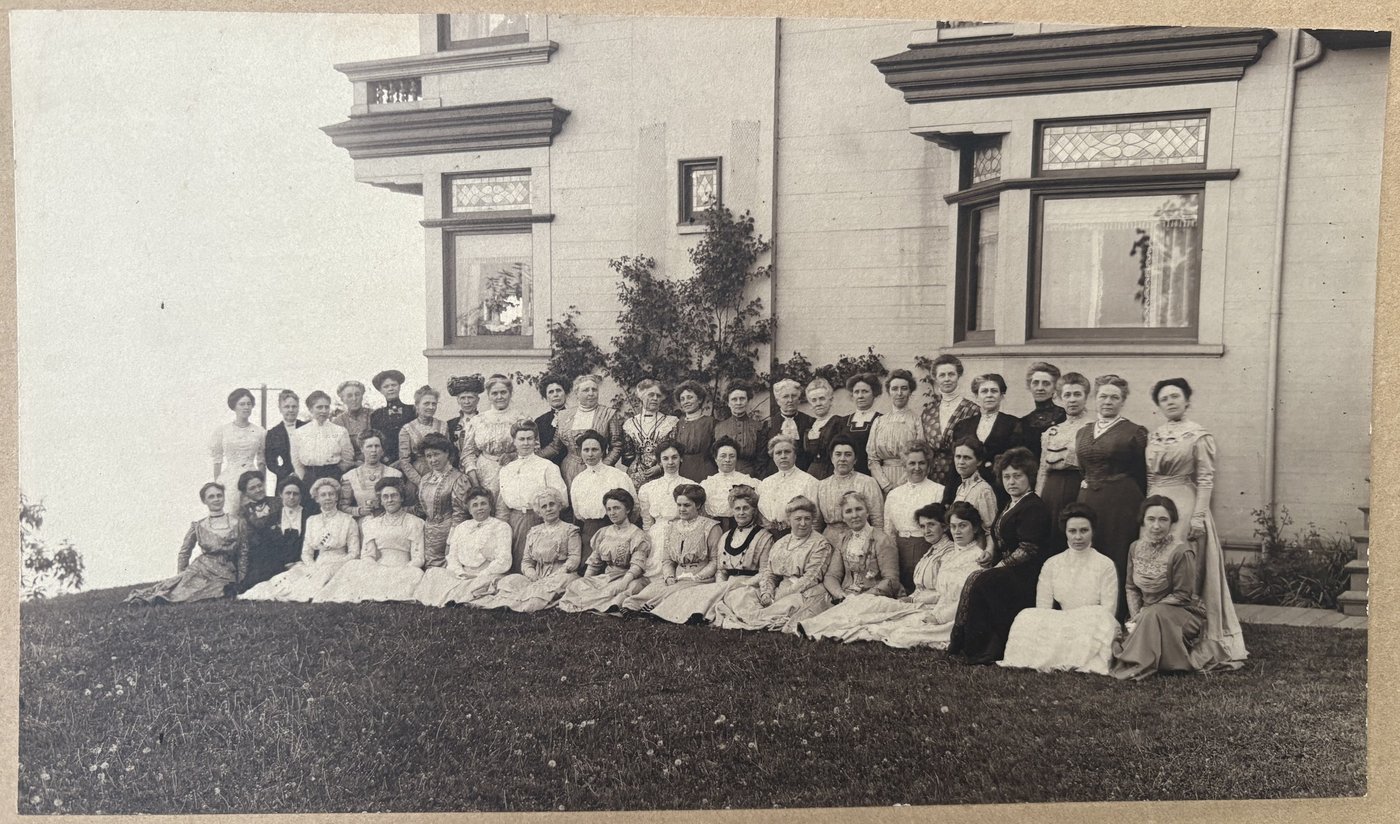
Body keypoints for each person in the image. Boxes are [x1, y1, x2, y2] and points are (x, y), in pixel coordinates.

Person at [1147, 378, 1247, 669]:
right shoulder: (1155, 436)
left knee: (1184, 566)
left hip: (1185, 503)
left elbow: (1205, 479)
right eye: (1164, 398)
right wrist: (1145, 511)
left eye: (1175, 396)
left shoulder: (1198, 435)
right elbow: (1150, 478)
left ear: (1187, 400)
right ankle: (1157, 634)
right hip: (1156, 502)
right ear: (1159, 405)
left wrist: (1199, 517)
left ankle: (1193, 637)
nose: (1170, 402)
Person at [948, 447, 1055, 665]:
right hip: (1010, 570)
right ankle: (966, 643)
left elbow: (1027, 549)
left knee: (981, 580)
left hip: (1027, 574)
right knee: (977, 577)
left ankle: (982, 647)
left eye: (1017, 476)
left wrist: (1000, 566)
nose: (1011, 482)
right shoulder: (1010, 503)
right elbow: (997, 536)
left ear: (1029, 477)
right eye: (1006, 477)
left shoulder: (1033, 506)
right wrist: (990, 552)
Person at [999, 503, 1121, 675]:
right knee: (1026, 615)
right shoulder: (1052, 564)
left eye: (1084, 530)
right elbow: (1043, 608)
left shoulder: (1105, 564)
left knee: (1099, 617)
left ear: (1093, 531)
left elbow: (1108, 610)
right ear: (1065, 532)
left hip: (1092, 622)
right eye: (1072, 531)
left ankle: (1074, 656)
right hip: (1063, 621)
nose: (1078, 537)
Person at [859, 502, 989, 649]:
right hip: (939, 610)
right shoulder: (955, 555)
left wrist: (938, 617)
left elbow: (967, 599)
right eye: (954, 526)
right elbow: (944, 594)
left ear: (975, 528)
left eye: (963, 526)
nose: (957, 531)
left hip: (957, 617)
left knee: (900, 634)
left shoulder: (977, 558)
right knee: (889, 627)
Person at [1111, 497, 1210, 680]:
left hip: (1183, 614)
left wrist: (1146, 614)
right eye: (1151, 519)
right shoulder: (1135, 547)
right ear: (1143, 521)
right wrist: (1136, 617)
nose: (1156, 526)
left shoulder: (1181, 551)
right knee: (1148, 617)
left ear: (1172, 522)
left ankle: (1140, 661)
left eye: (1163, 520)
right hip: (1146, 614)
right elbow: (1131, 587)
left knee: (1154, 614)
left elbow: (1183, 595)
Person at [1075, 374, 1149, 619]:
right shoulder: (1083, 431)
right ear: (1096, 399)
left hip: (1121, 502)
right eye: (1103, 396)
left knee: (1115, 554)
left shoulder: (1134, 432)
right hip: (1089, 501)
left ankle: (1116, 614)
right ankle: (1088, 611)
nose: (1108, 401)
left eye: (1115, 397)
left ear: (1123, 401)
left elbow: (1142, 474)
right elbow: (1082, 467)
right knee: (1089, 552)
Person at [649, 484, 774, 624]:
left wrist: (746, 584)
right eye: (737, 509)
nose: (741, 513)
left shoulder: (764, 537)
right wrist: (720, 585)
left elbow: (765, 571)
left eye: (746, 508)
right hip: (725, 584)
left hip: (749, 585)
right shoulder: (727, 536)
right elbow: (721, 570)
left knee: (735, 602)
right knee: (696, 594)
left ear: (754, 510)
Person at [712, 496, 833, 633]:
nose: (803, 523)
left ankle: (757, 618)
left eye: (807, 519)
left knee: (783, 606)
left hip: (804, 592)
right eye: (798, 519)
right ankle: (758, 614)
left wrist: (779, 596)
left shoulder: (820, 544)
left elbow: (811, 578)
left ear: (813, 520)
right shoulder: (781, 542)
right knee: (739, 595)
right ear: (789, 520)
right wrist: (767, 593)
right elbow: (770, 572)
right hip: (779, 588)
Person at [796, 492, 903, 641]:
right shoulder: (845, 539)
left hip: (875, 597)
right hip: (848, 595)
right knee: (816, 596)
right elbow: (831, 576)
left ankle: (812, 628)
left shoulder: (882, 540)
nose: (854, 515)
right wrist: (841, 595)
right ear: (843, 516)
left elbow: (891, 580)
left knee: (849, 615)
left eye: (859, 509)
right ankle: (808, 625)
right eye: (848, 511)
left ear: (867, 512)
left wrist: (863, 597)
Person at [126, 482, 247, 605]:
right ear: (204, 501)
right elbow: (185, 552)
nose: (216, 499)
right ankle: (143, 600)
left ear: (224, 497)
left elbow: (243, 552)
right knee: (175, 590)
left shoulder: (237, 523)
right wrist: (182, 575)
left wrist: (241, 579)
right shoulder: (198, 526)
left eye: (219, 495)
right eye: (211, 497)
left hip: (225, 573)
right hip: (200, 569)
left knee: (217, 591)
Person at [242, 478, 358, 602]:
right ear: (317, 499)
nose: (327, 498)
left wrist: (336, 564)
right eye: (323, 495)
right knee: (284, 582)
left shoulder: (348, 520)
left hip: (341, 563)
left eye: (331, 494)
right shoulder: (312, 520)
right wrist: (313, 566)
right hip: (316, 564)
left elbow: (354, 552)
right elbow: (306, 552)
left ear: (337, 497)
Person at [314, 477, 425, 603]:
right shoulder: (373, 524)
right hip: (378, 567)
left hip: (403, 568)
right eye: (385, 497)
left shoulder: (415, 522)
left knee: (416, 574)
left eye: (394, 496)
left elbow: (418, 557)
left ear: (402, 498)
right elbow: (368, 555)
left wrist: (405, 568)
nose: (390, 500)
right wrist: (375, 567)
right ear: (381, 501)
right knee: (353, 565)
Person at [621, 484, 721, 613]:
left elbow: (715, 561)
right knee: (650, 591)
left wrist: (698, 577)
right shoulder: (671, 527)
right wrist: (669, 577)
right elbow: (667, 560)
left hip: (700, 579)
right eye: (679, 505)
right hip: (677, 577)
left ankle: (653, 609)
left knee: (672, 593)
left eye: (687, 505)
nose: (682, 509)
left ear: (698, 505)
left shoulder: (711, 527)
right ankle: (637, 607)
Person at [480, 487, 582, 612]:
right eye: (544, 506)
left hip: (561, 576)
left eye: (552, 504)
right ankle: (514, 601)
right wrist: (532, 575)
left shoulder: (570, 530)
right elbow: (527, 561)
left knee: (544, 590)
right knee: (510, 581)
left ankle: (524, 603)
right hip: (537, 576)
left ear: (559, 506)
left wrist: (558, 574)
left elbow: (574, 558)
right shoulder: (534, 532)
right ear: (539, 512)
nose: (549, 509)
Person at [414, 487, 513, 607]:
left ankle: (459, 595)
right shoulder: (461, 527)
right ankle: (461, 593)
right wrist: (460, 573)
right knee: (433, 573)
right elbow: (452, 556)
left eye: (483, 504)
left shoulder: (501, 527)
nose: (479, 508)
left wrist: (480, 575)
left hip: (487, 574)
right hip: (463, 574)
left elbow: (504, 559)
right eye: (475, 505)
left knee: (485, 584)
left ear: (490, 506)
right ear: (469, 510)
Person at [559, 488, 652, 614]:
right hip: (607, 578)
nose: (612, 513)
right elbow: (594, 563)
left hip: (629, 578)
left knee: (629, 589)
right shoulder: (603, 533)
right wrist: (585, 582)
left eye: (616, 508)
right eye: (609, 509)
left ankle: (607, 603)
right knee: (576, 585)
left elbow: (637, 565)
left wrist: (624, 582)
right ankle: (595, 601)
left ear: (628, 509)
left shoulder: (638, 535)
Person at [495, 420, 569, 573]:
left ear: (536, 440)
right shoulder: (507, 470)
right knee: (517, 566)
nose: (526, 443)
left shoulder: (547, 466)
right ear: (514, 441)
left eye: (530, 438)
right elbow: (503, 504)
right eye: (521, 439)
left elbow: (561, 500)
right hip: (514, 522)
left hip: (541, 520)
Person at [947, 373, 1024, 508]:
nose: (989, 395)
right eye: (984, 391)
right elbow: (955, 465)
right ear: (976, 396)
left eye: (994, 391)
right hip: (968, 488)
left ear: (1002, 395)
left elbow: (1016, 462)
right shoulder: (963, 426)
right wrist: (948, 497)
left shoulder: (1013, 424)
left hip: (1000, 488)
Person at [883, 443, 947, 595]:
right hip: (898, 551)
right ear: (904, 465)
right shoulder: (894, 494)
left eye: (921, 463)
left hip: (927, 547)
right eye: (912, 463)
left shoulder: (939, 491)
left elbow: (942, 527)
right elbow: (889, 529)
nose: (917, 468)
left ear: (928, 465)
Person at [539, 374, 624, 488]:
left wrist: (603, 467)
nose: (591, 393)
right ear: (576, 394)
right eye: (586, 390)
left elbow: (616, 446)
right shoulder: (564, 415)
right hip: (569, 470)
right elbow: (555, 446)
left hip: (599, 469)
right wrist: (533, 457)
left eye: (594, 389)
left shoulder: (608, 414)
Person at [1035, 372, 1093, 537]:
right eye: (1067, 395)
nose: (1072, 399)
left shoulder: (1094, 428)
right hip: (1052, 492)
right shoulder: (1051, 431)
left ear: (1086, 397)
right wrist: (1038, 500)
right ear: (1059, 399)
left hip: (1080, 489)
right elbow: (1042, 470)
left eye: (1077, 394)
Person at [569, 429, 638, 558]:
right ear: (580, 452)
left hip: (617, 530)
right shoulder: (578, 480)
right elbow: (578, 514)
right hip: (589, 532)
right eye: (586, 450)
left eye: (594, 449)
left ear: (602, 451)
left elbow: (633, 509)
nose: (590, 454)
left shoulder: (618, 476)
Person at [636, 443, 696, 579]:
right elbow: (647, 521)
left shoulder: (691, 485)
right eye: (665, 458)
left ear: (681, 459)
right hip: (657, 535)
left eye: (674, 457)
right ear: (659, 462)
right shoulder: (648, 488)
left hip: (683, 533)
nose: (670, 462)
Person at [919, 354, 979, 486]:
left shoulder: (972, 410)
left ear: (958, 376)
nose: (947, 379)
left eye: (951, 374)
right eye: (942, 375)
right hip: (933, 476)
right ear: (935, 378)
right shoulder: (928, 412)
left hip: (962, 474)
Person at [414, 432, 471, 568]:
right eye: (429, 456)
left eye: (436, 454)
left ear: (447, 454)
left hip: (449, 535)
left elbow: (460, 515)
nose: (433, 460)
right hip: (428, 534)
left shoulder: (459, 479)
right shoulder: (425, 479)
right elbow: (422, 509)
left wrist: (451, 541)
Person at [460, 374, 523, 496]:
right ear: (488, 396)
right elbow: (468, 454)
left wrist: (513, 455)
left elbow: (534, 449)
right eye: (494, 393)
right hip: (484, 474)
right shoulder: (478, 420)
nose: (499, 397)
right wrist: (475, 482)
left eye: (503, 392)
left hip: (514, 469)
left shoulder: (521, 419)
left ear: (510, 393)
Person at [236, 471, 299, 593]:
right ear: (245, 492)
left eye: (260, 485)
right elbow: (250, 537)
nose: (258, 490)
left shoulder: (277, 501)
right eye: (252, 488)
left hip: (283, 550)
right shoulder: (244, 511)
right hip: (260, 554)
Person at [290, 390, 355, 509]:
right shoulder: (299, 433)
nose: (324, 411)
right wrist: (305, 478)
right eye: (319, 407)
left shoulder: (340, 431)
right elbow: (296, 460)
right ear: (310, 409)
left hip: (333, 475)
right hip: (310, 477)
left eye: (326, 407)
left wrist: (336, 473)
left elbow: (347, 457)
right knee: (311, 511)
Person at [815, 437, 885, 545]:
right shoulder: (821, 486)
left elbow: (878, 521)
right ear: (832, 458)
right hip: (829, 541)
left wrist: (875, 545)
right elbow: (816, 523)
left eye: (848, 455)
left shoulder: (868, 483)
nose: (842, 459)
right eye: (838, 454)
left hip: (861, 540)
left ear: (855, 459)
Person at [866, 369, 925, 492]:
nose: (899, 393)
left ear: (910, 392)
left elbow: (920, 456)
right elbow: (872, 458)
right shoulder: (879, 421)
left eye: (904, 388)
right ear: (889, 392)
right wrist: (885, 484)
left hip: (910, 478)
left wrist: (900, 485)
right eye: (894, 389)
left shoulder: (916, 421)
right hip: (882, 480)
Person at [210, 388, 266, 514]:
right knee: (231, 513)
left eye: (249, 404)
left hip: (252, 477)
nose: (246, 407)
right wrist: (217, 484)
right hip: (230, 478)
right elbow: (217, 459)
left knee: (254, 514)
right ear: (234, 406)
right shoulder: (223, 431)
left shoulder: (260, 431)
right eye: (242, 404)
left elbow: (261, 460)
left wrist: (262, 484)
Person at [755, 434, 822, 538]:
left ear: (795, 455)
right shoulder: (765, 483)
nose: (783, 456)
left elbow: (816, 520)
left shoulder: (809, 482)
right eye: (778, 453)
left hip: (798, 536)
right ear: (773, 457)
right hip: (767, 537)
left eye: (787, 452)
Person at [622, 379, 679, 488]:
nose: (655, 399)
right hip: (636, 475)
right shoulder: (630, 424)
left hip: (663, 473)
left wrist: (660, 466)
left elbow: (675, 449)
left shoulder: (670, 422)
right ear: (641, 396)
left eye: (658, 396)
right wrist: (636, 468)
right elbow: (627, 455)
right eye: (651, 395)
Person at [338, 430, 406, 519]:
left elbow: (403, 504)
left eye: (377, 446)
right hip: (364, 523)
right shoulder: (350, 476)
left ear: (382, 449)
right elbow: (342, 507)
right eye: (369, 446)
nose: (373, 450)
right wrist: (359, 511)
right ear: (362, 449)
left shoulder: (395, 474)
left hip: (392, 522)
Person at [699, 436, 760, 529]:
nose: (727, 460)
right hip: (714, 529)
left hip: (741, 528)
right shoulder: (707, 484)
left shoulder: (747, 481)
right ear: (715, 458)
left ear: (736, 458)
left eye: (732, 456)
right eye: (723, 456)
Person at [397, 385, 450, 488]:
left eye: (434, 404)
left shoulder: (443, 425)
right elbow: (404, 461)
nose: (431, 407)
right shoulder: (407, 429)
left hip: (443, 472)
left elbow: (449, 453)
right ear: (417, 405)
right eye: (426, 404)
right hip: (419, 474)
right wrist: (420, 482)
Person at [713, 381, 769, 477]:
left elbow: (762, 460)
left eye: (742, 399)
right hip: (724, 477)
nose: (738, 403)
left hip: (751, 476)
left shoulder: (759, 427)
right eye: (734, 399)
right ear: (728, 402)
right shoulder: (719, 428)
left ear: (748, 401)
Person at [833, 373, 883, 475]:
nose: (860, 396)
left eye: (865, 391)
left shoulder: (882, 420)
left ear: (874, 394)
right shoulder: (842, 422)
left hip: (873, 475)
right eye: (856, 392)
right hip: (847, 474)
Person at [1020, 362, 1067, 461]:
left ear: (1055, 387)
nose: (1040, 388)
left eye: (1046, 383)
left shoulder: (1064, 416)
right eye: (1035, 383)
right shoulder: (1023, 422)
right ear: (1030, 386)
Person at [672, 380, 717, 482]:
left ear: (700, 399)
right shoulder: (678, 424)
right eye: (682, 399)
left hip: (705, 470)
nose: (686, 402)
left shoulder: (711, 422)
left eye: (690, 397)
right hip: (682, 471)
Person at [948, 436, 998, 528]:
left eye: (967, 458)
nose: (961, 462)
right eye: (958, 457)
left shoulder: (983, 490)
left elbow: (989, 530)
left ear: (979, 461)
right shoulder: (960, 488)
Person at [801, 377, 845, 481]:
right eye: (814, 400)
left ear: (830, 400)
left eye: (822, 398)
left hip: (832, 473)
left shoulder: (838, 423)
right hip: (811, 474)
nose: (818, 403)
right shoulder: (810, 424)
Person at [370, 370, 414, 466]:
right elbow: (376, 440)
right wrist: (386, 460)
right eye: (386, 386)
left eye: (394, 385)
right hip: (387, 462)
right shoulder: (376, 415)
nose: (391, 388)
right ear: (381, 391)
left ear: (399, 387)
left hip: (412, 460)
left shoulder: (412, 410)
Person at [770, 379, 816, 471]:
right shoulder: (768, 425)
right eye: (785, 396)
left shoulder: (810, 422)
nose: (790, 400)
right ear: (778, 400)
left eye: (794, 396)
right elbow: (762, 458)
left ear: (799, 399)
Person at [264, 389, 305, 487]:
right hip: (285, 480)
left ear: (298, 408)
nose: (291, 410)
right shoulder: (273, 433)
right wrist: (287, 474)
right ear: (280, 409)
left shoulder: (307, 427)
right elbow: (270, 462)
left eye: (294, 406)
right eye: (287, 407)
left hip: (307, 478)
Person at [446, 374, 485, 468]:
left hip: (480, 467)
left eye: (470, 397)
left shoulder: (485, 421)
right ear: (458, 401)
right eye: (463, 398)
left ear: (477, 400)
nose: (467, 402)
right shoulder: (450, 424)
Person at [533, 374, 572, 468]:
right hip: (548, 468)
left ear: (565, 393)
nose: (555, 394)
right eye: (551, 392)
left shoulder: (574, 416)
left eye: (558, 390)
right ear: (546, 397)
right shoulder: (539, 421)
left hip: (570, 468)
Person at [331, 380, 373, 464]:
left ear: (362, 396)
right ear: (342, 399)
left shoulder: (375, 415)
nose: (354, 399)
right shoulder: (337, 422)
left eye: (357, 394)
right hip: (350, 466)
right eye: (349, 396)